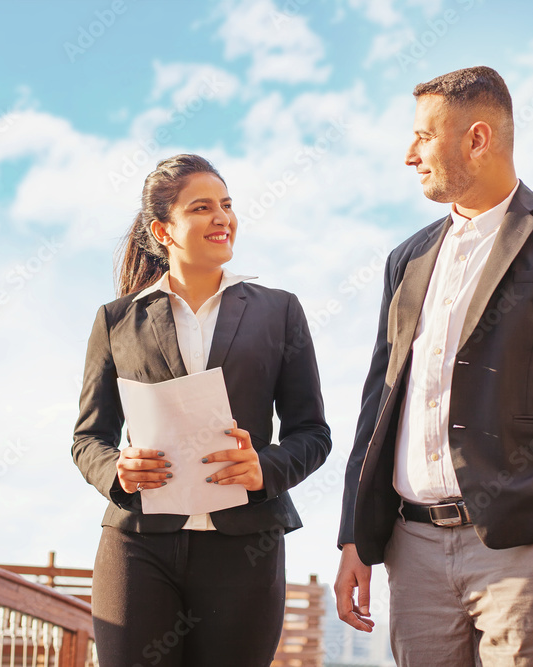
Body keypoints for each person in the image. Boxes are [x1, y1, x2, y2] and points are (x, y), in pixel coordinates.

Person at [335, 66, 533, 665]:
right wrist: (355, 533)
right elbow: (380, 403)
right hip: (413, 550)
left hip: (528, 552)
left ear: (477, 139)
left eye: (424, 137)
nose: (410, 155)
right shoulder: (407, 258)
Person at [73, 154, 331, 667]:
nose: (223, 218)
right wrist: (118, 470)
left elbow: (313, 433)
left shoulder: (279, 312)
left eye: (228, 205)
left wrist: (266, 467)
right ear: (163, 230)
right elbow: (88, 438)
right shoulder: (116, 321)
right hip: (138, 543)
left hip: (245, 547)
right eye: (202, 208)